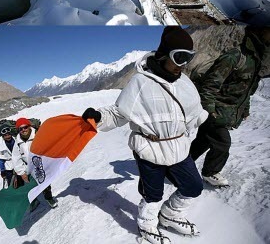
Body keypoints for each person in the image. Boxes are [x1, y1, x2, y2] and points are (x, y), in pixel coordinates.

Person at [82, 26, 207, 244]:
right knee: (153, 194)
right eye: (179, 57)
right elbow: (119, 113)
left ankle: (170, 215)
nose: (183, 65)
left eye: (188, 57)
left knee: (194, 186)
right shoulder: (140, 83)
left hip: (179, 146)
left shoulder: (184, 82)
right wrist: (98, 117)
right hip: (150, 149)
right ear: (164, 54)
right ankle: (147, 224)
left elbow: (194, 110)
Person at [190, 26, 270, 187]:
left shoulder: (255, 60)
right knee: (222, 143)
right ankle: (210, 173)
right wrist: (210, 110)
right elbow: (210, 85)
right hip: (215, 110)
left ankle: (177, 166)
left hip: (224, 111)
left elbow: (245, 90)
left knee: (203, 141)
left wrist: (245, 110)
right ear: (260, 31)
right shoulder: (235, 56)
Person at [12, 117, 57, 211]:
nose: (23, 130)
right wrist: (21, 172)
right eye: (21, 128)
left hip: (40, 164)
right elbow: (16, 158)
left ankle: (49, 198)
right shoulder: (17, 142)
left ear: (29, 127)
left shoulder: (37, 135)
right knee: (30, 186)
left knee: (45, 183)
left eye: (25, 127)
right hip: (27, 167)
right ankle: (34, 201)